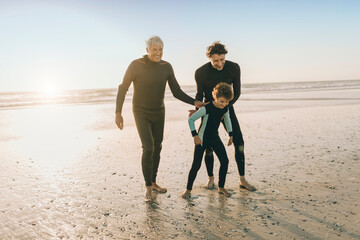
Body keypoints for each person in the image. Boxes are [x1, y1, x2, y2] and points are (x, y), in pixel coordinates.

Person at [115, 36, 204, 200]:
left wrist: (195, 102)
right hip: (140, 111)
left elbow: (176, 91)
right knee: (148, 147)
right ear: (147, 50)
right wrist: (118, 112)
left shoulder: (166, 67)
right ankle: (147, 186)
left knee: (158, 146)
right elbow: (123, 88)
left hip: (159, 111)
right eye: (154, 49)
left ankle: (153, 182)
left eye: (160, 49)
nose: (158, 53)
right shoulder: (136, 65)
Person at [192, 41, 256, 191]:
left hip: (227, 108)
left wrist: (224, 107)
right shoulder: (200, 72)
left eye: (222, 59)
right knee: (207, 145)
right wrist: (197, 109)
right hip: (208, 111)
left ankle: (242, 179)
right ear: (209, 59)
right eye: (215, 61)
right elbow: (199, 95)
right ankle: (211, 179)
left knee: (239, 142)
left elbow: (237, 92)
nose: (220, 63)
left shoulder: (233, 68)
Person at [181, 82, 234, 199]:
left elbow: (228, 120)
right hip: (202, 139)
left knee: (224, 161)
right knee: (196, 165)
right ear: (215, 97)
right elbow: (191, 120)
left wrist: (231, 134)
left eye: (227, 102)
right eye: (222, 101)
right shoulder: (207, 108)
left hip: (214, 137)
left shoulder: (225, 108)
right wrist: (195, 136)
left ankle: (221, 187)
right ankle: (188, 190)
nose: (224, 104)